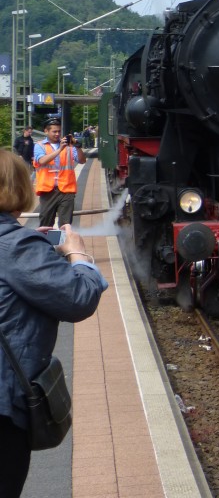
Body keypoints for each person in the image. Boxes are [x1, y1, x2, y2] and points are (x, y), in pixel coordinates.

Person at [0, 150, 108, 496]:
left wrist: (37, 248)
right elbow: (78, 298)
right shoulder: (15, 246)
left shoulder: (20, 245)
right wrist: (77, 254)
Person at [33, 120, 86, 229]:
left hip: (67, 190)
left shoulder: (69, 146)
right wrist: (59, 150)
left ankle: (63, 244)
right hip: (48, 191)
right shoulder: (40, 146)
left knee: (66, 225)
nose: (57, 134)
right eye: (54, 131)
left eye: (59, 131)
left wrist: (78, 147)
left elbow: (82, 161)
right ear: (46, 131)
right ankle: (47, 245)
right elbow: (42, 160)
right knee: (45, 224)